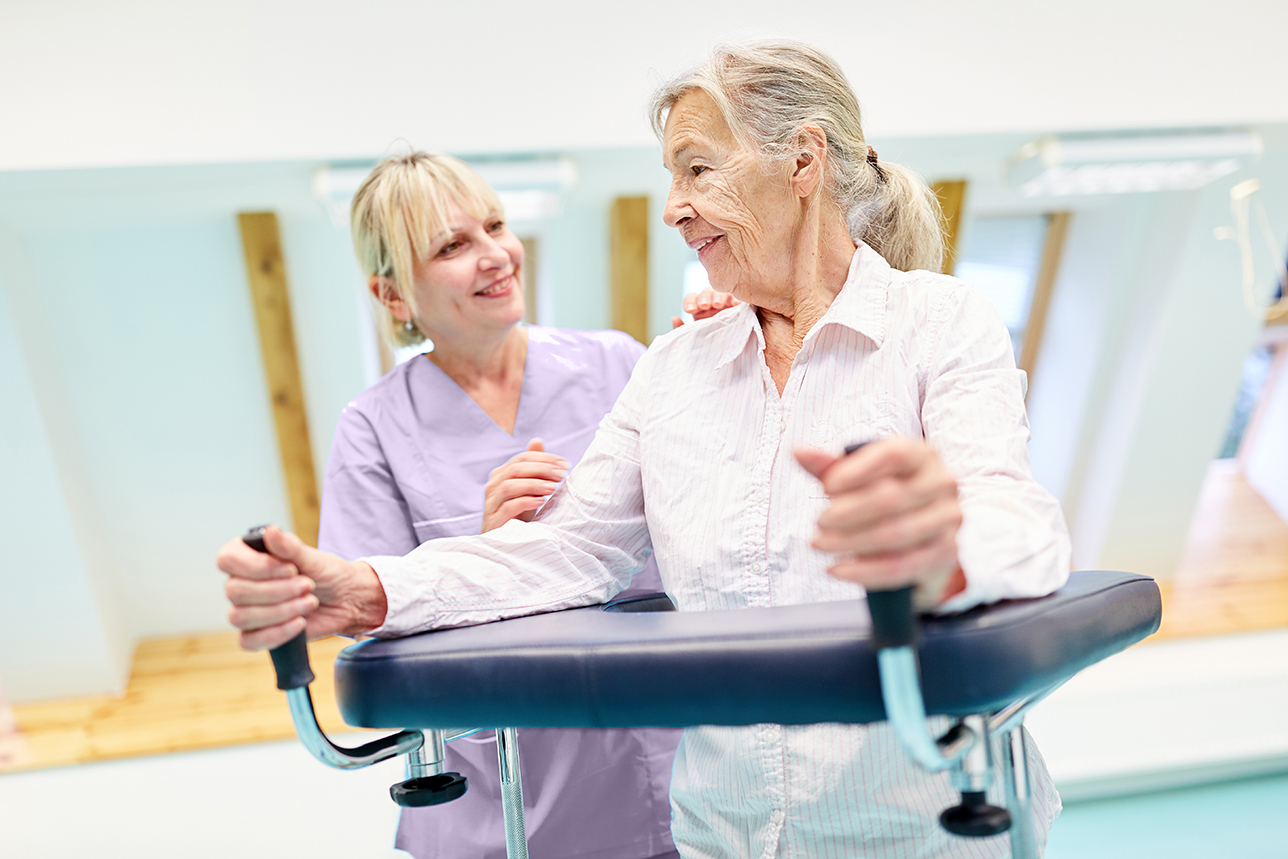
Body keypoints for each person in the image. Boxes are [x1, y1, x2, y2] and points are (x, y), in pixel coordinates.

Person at [220, 41, 1071, 859]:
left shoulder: (939, 322)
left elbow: (1019, 519)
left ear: (803, 161)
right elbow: (565, 550)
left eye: (697, 169)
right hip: (726, 835)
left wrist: (944, 547)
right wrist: (363, 587)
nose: (672, 208)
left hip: (919, 830)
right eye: (671, 176)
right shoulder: (673, 369)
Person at [304, 151, 730, 859]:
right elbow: (373, 644)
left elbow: (716, 519)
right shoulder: (372, 429)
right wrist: (487, 554)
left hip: (661, 759)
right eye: (452, 245)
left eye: (496, 225)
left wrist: (725, 365)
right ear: (393, 296)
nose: (496, 254)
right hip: (495, 795)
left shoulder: (618, 363)